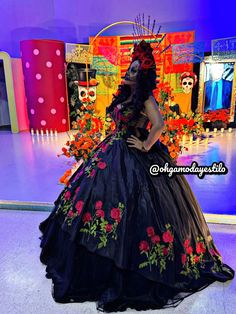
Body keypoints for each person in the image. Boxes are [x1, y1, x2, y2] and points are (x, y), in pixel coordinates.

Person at [39, 40, 234, 313]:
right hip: (112, 150)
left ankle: (132, 264)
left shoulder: (144, 98)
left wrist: (145, 145)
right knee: (99, 200)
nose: (129, 74)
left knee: (141, 207)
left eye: (134, 71)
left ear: (142, 75)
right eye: (128, 70)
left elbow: (159, 124)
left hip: (135, 154)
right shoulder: (126, 97)